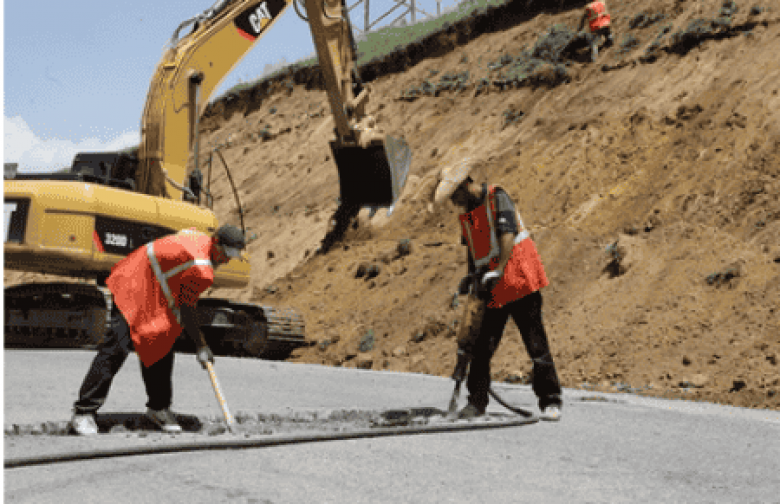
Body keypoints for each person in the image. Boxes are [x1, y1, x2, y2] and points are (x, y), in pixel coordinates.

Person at [70, 224, 247, 435]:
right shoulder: (201, 268)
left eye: (232, 256)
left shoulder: (198, 238)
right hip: (132, 285)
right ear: (215, 242)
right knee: (117, 346)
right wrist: (201, 345)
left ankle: (158, 408)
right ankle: (83, 412)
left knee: (162, 341)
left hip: (150, 287)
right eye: (226, 254)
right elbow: (187, 308)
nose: (226, 260)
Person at [430, 161, 563, 421]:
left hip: (519, 279)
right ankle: (476, 402)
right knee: (481, 347)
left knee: (536, 344)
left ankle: (550, 401)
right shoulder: (467, 215)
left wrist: (499, 268)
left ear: (465, 186)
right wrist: (471, 278)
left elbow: (507, 234)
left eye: (455, 196)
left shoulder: (497, 197)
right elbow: (473, 250)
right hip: (492, 286)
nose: (454, 202)